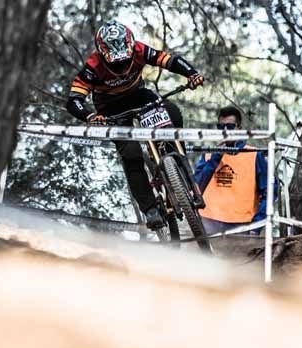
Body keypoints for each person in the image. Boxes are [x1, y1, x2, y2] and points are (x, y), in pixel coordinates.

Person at [65, 20, 205, 227]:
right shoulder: (93, 67)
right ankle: (150, 210)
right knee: (131, 154)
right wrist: (90, 116)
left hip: (139, 95)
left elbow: (168, 60)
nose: (122, 67)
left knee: (172, 113)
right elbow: (74, 100)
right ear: (103, 55)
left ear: (131, 48)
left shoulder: (140, 49)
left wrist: (191, 73)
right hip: (110, 109)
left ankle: (178, 167)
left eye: (125, 61)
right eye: (116, 64)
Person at [193, 106, 270, 234]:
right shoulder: (208, 155)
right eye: (220, 127)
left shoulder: (254, 155)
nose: (225, 131)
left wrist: (256, 226)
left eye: (230, 127)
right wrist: (216, 157)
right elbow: (196, 188)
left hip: (241, 227)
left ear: (239, 128)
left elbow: (270, 193)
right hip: (208, 224)